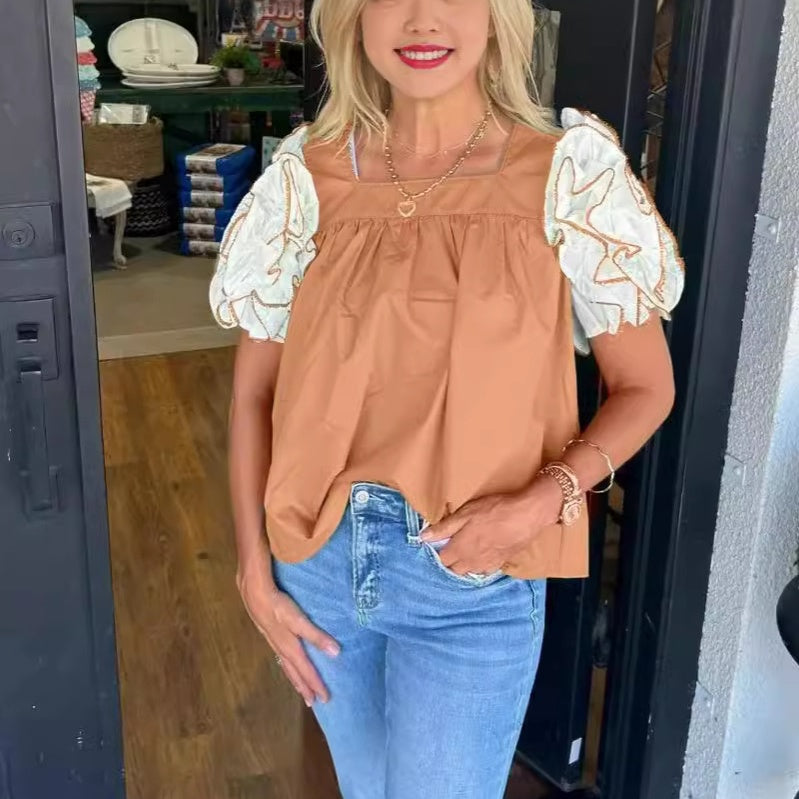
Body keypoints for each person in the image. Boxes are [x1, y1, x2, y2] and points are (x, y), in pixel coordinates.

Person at [209, 1, 684, 796]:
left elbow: (646, 387)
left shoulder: (568, 175)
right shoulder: (305, 178)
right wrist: (253, 573)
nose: (422, 19)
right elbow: (253, 393)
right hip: (316, 566)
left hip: (470, 580)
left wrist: (541, 501)